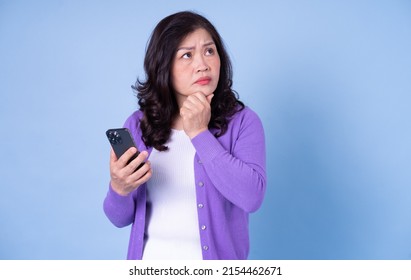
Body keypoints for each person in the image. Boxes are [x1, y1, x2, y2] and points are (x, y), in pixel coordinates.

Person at [103, 11, 266, 260]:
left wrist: (200, 134)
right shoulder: (138, 125)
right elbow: (118, 218)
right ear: (164, 66)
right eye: (187, 55)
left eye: (210, 51)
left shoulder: (243, 122)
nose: (202, 64)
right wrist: (119, 188)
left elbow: (251, 197)